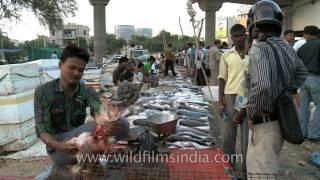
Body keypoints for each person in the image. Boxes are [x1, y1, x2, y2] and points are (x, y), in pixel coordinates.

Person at [34, 45, 129, 166]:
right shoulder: (43, 92)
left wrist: (106, 121)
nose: (76, 73)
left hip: (82, 141)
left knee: (122, 123)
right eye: (72, 68)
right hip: (59, 148)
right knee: (96, 133)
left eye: (81, 70)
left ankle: (92, 154)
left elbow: (98, 109)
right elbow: (42, 131)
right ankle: (90, 154)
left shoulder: (86, 90)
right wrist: (61, 146)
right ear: (60, 65)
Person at [246, 0, 307, 175]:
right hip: (281, 120)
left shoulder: (259, 49)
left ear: (254, 26)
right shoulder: (287, 48)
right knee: (269, 169)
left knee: (260, 174)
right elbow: (302, 73)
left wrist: (251, 113)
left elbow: (263, 85)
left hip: (264, 122)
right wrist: (286, 92)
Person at [218, 24, 249, 172]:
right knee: (230, 134)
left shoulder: (254, 53)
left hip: (250, 97)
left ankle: (245, 170)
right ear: (231, 38)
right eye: (235, 36)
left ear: (245, 35)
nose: (238, 39)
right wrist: (221, 102)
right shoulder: (226, 55)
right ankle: (229, 165)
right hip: (231, 96)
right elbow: (221, 79)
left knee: (246, 137)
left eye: (240, 35)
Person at [297, 25, 320, 141]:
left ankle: (302, 132)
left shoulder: (302, 48)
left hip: (303, 79)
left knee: (303, 106)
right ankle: (314, 134)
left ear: (307, 34)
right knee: (319, 106)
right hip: (316, 78)